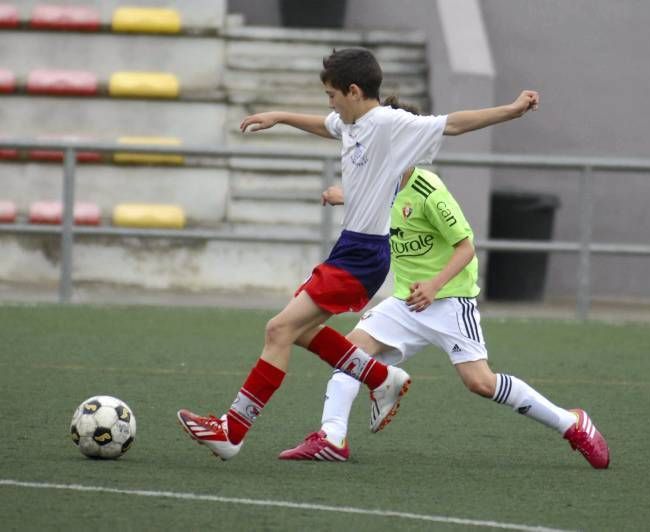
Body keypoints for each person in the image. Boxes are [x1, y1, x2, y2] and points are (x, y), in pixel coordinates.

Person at [176, 47, 541, 461]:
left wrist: (512, 110)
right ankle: (379, 377)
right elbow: (324, 125)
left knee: (279, 329)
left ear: (353, 91)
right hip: (350, 247)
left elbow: (454, 124)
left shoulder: (389, 123)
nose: (329, 104)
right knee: (302, 332)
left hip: (365, 253)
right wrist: (278, 115)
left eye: (332, 95)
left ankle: (232, 430)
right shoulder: (349, 122)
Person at [278, 112, 610, 469]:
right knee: (347, 353)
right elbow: (365, 184)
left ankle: (571, 423)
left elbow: (466, 246)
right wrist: (341, 191)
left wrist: (435, 286)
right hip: (406, 302)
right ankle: (331, 437)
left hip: (448, 301)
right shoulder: (376, 183)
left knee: (480, 382)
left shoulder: (429, 190)